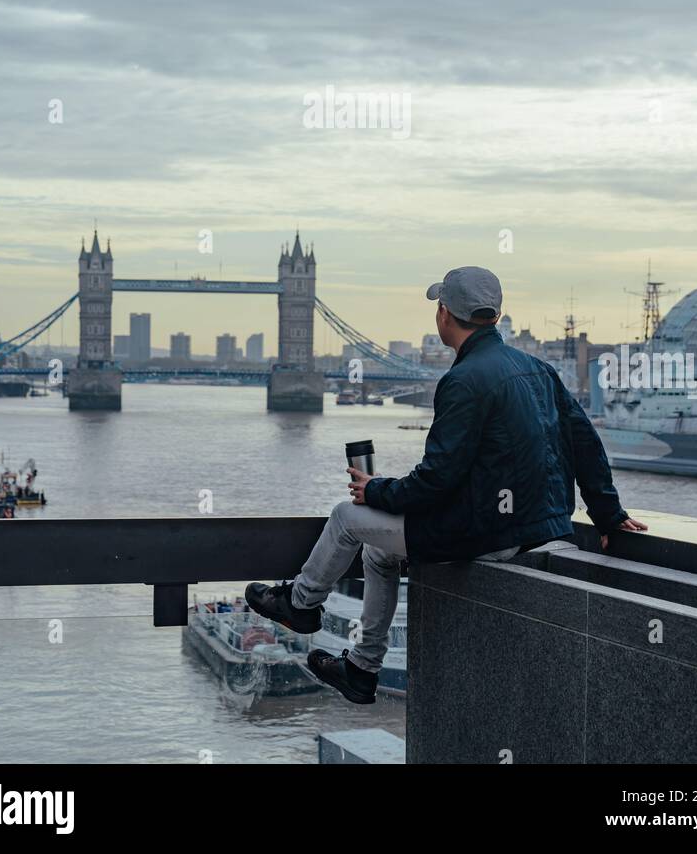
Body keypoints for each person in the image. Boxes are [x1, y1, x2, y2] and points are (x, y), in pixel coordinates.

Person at [246, 266, 647, 705]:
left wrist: (376, 490)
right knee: (380, 552)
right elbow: (586, 443)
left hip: (486, 534)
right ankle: (361, 669)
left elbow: (437, 480)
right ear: (495, 314)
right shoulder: (538, 369)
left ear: (444, 315)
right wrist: (609, 515)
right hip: (542, 528)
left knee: (346, 518)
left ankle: (301, 605)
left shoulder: (463, 380)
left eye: (438, 306)